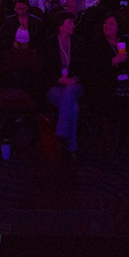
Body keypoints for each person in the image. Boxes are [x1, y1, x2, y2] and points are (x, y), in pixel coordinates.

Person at [42, 12, 85, 154]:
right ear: (61, 26)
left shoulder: (79, 43)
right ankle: (72, 145)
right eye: (70, 23)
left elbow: (84, 68)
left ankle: (61, 134)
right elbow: (45, 70)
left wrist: (75, 79)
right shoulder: (49, 44)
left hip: (74, 84)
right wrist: (60, 80)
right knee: (74, 107)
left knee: (70, 90)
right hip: (56, 85)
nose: (73, 25)